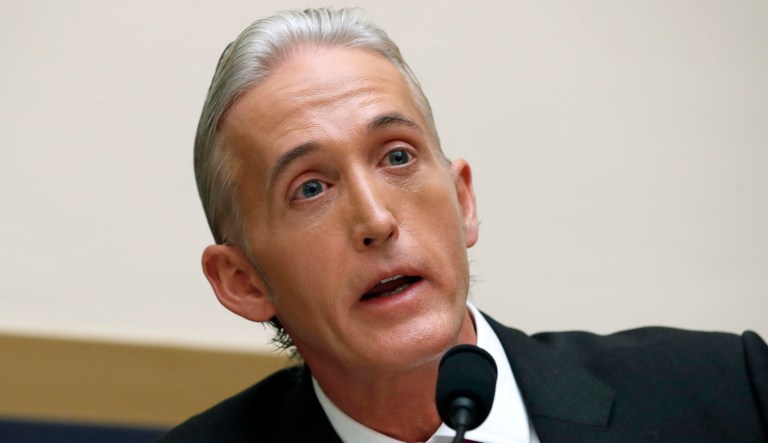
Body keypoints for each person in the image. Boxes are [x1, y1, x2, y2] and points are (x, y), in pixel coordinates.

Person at [158, 7, 768, 442]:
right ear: (242, 281)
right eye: (310, 188)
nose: (375, 221)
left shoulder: (733, 393)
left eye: (397, 156)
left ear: (463, 199)